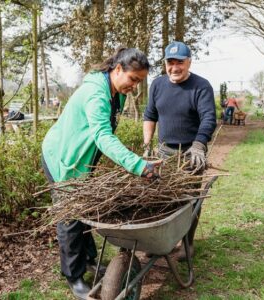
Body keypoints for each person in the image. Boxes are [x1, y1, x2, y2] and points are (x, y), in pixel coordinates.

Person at [41, 47, 159, 300]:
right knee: (71, 217)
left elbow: (104, 133)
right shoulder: (96, 93)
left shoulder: (116, 92)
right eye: (133, 79)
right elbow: (103, 136)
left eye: (139, 81)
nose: (135, 86)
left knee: (84, 209)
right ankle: (74, 277)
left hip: (81, 160)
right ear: (118, 70)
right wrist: (138, 165)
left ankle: (89, 261)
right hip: (62, 158)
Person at [143, 41, 216, 260]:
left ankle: (187, 244)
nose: (175, 67)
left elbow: (208, 118)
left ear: (189, 62)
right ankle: (161, 242)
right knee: (160, 198)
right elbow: (150, 115)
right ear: (165, 63)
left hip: (190, 154)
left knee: (189, 199)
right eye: (170, 62)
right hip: (164, 153)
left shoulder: (201, 86)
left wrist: (199, 144)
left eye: (180, 63)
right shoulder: (157, 85)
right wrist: (147, 146)